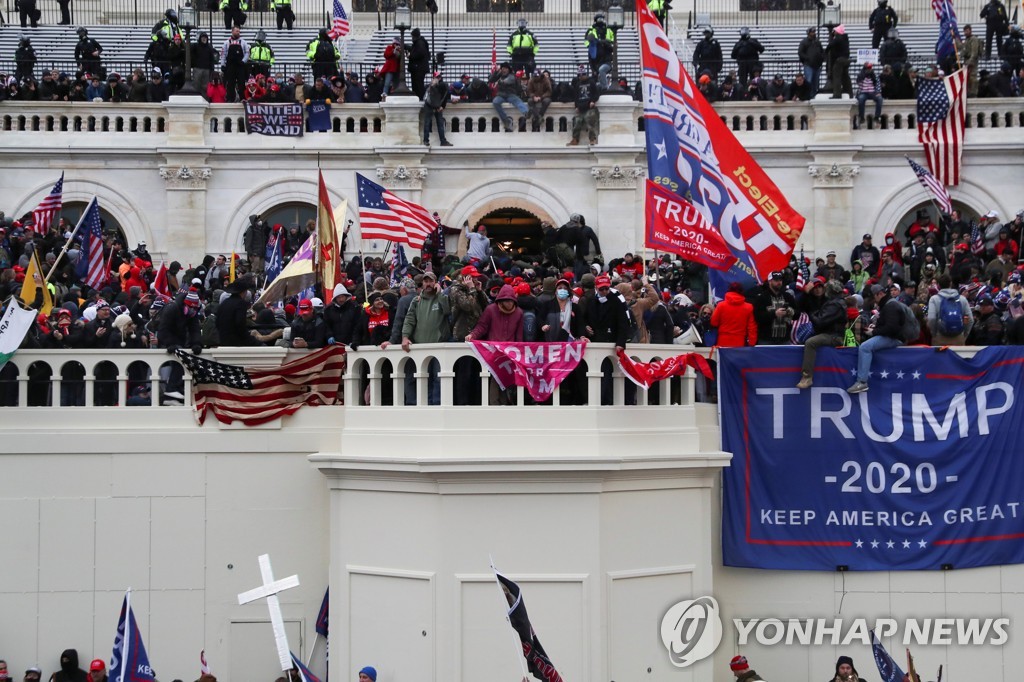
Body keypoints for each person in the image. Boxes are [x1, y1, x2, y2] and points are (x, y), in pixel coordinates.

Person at [400, 270, 449, 405]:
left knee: (438, 378)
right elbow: (409, 320)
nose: (428, 284)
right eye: (426, 281)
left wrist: (440, 293)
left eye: (431, 281)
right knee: (423, 378)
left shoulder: (441, 297)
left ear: (435, 283)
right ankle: (425, 406)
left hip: (438, 346)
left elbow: (447, 310)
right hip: (421, 347)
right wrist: (405, 337)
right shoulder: (416, 301)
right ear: (422, 283)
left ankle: (437, 405)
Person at [796, 281, 849, 388]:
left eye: (824, 288)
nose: (823, 291)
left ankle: (807, 377)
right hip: (830, 333)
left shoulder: (835, 304)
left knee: (810, 342)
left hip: (834, 336)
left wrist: (811, 314)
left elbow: (820, 321)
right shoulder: (835, 302)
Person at [926, 273, 973, 344]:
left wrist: (934, 333)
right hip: (958, 337)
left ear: (938, 285)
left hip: (940, 337)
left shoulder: (934, 299)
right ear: (951, 284)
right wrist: (965, 334)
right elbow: (969, 319)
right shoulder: (962, 299)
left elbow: (931, 319)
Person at [754, 271, 795, 344]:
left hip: (784, 339)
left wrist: (791, 312)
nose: (779, 282)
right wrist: (774, 314)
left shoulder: (788, 296)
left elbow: (798, 313)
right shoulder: (761, 297)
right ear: (770, 281)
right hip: (767, 340)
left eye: (780, 280)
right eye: (776, 280)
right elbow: (758, 317)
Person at [710, 282, 757, 347]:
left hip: (723, 340)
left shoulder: (721, 305)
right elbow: (752, 328)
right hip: (740, 341)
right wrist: (752, 343)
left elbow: (714, 322)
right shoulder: (748, 307)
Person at [567, 66, 599, 146]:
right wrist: (576, 106)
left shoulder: (591, 82)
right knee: (577, 123)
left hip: (589, 106)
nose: (581, 77)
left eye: (582, 75)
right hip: (580, 107)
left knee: (590, 123)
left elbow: (596, 94)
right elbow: (576, 96)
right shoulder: (578, 84)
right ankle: (575, 139)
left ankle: (592, 139)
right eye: (579, 75)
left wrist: (593, 101)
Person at [585, 13, 615, 89]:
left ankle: (605, 88)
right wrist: (593, 70)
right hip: (596, 64)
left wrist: (606, 43)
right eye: (599, 19)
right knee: (593, 83)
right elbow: (590, 59)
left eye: (601, 19)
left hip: (606, 62)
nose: (600, 20)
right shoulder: (591, 30)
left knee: (602, 70)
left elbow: (612, 43)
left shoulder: (608, 29)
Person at [422, 71, 453, 147]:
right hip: (438, 106)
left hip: (429, 106)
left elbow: (426, 97)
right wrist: (442, 106)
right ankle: (443, 141)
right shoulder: (443, 85)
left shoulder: (429, 86)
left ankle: (426, 141)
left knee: (427, 123)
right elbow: (444, 97)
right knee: (440, 124)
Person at [220, 25, 249, 103]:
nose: (238, 33)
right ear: (232, 31)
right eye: (236, 31)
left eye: (239, 31)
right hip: (230, 66)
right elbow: (223, 54)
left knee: (241, 83)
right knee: (230, 83)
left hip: (240, 66)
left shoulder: (243, 42)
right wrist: (223, 65)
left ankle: (242, 98)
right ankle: (230, 99)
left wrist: (243, 61)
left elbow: (247, 53)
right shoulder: (226, 42)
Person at [956, 24, 984, 96]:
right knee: (967, 78)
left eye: (967, 31)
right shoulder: (967, 40)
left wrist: (970, 62)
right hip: (967, 61)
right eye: (965, 31)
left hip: (972, 62)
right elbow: (962, 48)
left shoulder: (973, 39)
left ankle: (973, 93)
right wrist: (955, 39)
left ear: (970, 31)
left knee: (972, 78)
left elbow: (974, 53)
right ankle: (968, 92)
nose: (966, 33)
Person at [826, 24, 851, 98]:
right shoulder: (845, 38)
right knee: (845, 77)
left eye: (835, 31)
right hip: (846, 60)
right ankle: (849, 93)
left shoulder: (838, 38)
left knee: (836, 76)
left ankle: (837, 94)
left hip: (839, 60)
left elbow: (830, 45)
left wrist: (831, 36)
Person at [798, 27, 824, 97]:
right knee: (808, 81)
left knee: (816, 83)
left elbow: (822, 51)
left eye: (814, 32)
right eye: (812, 32)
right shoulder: (804, 42)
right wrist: (807, 58)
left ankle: (814, 96)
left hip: (817, 65)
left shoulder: (817, 42)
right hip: (808, 65)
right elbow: (800, 52)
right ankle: (807, 96)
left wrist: (821, 59)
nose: (814, 33)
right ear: (809, 33)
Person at [407, 27, 430, 100]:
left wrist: (410, 56)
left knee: (418, 85)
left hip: (418, 68)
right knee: (417, 84)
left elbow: (419, 53)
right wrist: (406, 47)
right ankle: (419, 97)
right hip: (419, 68)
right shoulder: (420, 42)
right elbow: (416, 50)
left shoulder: (420, 43)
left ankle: (420, 98)